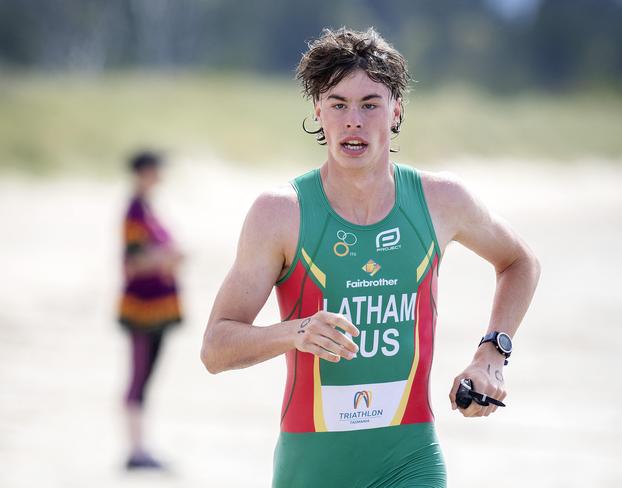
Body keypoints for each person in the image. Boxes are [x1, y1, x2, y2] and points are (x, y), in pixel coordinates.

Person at [201, 27, 540, 487]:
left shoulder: (440, 200)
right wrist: (297, 331)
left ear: (396, 108)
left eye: (369, 104)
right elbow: (216, 348)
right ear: (318, 111)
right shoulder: (281, 213)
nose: (352, 121)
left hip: (412, 461)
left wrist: (490, 355)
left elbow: (520, 262)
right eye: (337, 104)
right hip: (313, 468)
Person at [118, 151, 183, 470]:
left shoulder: (146, 207)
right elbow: (132, 261)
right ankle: (135, 449)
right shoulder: (135, 210)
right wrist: (167, 257)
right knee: (139, 378)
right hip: (142, 308)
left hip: (156, 308)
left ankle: (140, 445)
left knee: (145, 378)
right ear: (145, 171)